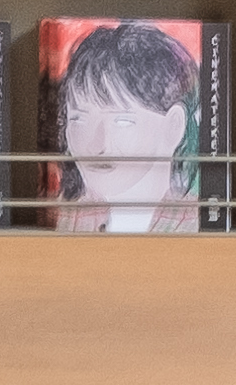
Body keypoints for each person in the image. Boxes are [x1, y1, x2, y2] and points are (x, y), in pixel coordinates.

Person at [43, 17, 206, 233]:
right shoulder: (68, 215)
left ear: (174, 126)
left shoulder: (194, 220)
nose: (97, 145)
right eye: (78, 119)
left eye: (122, 121)